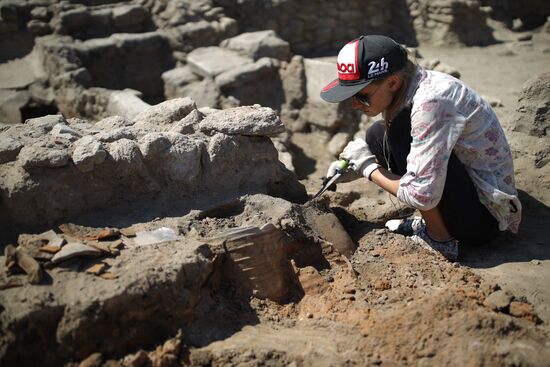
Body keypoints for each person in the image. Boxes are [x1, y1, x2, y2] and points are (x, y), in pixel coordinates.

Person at [320, 35, 521, 261]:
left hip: (485, 219)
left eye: (362, 96)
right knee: (377, 136)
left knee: (399, 131)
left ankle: (440, 239)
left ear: (393, 82)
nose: (355, 104)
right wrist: (356, 167)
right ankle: (436, 222)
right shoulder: (412, 85)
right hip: (469, 194)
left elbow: (421, 195)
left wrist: (367, 168)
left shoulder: (430, 103)